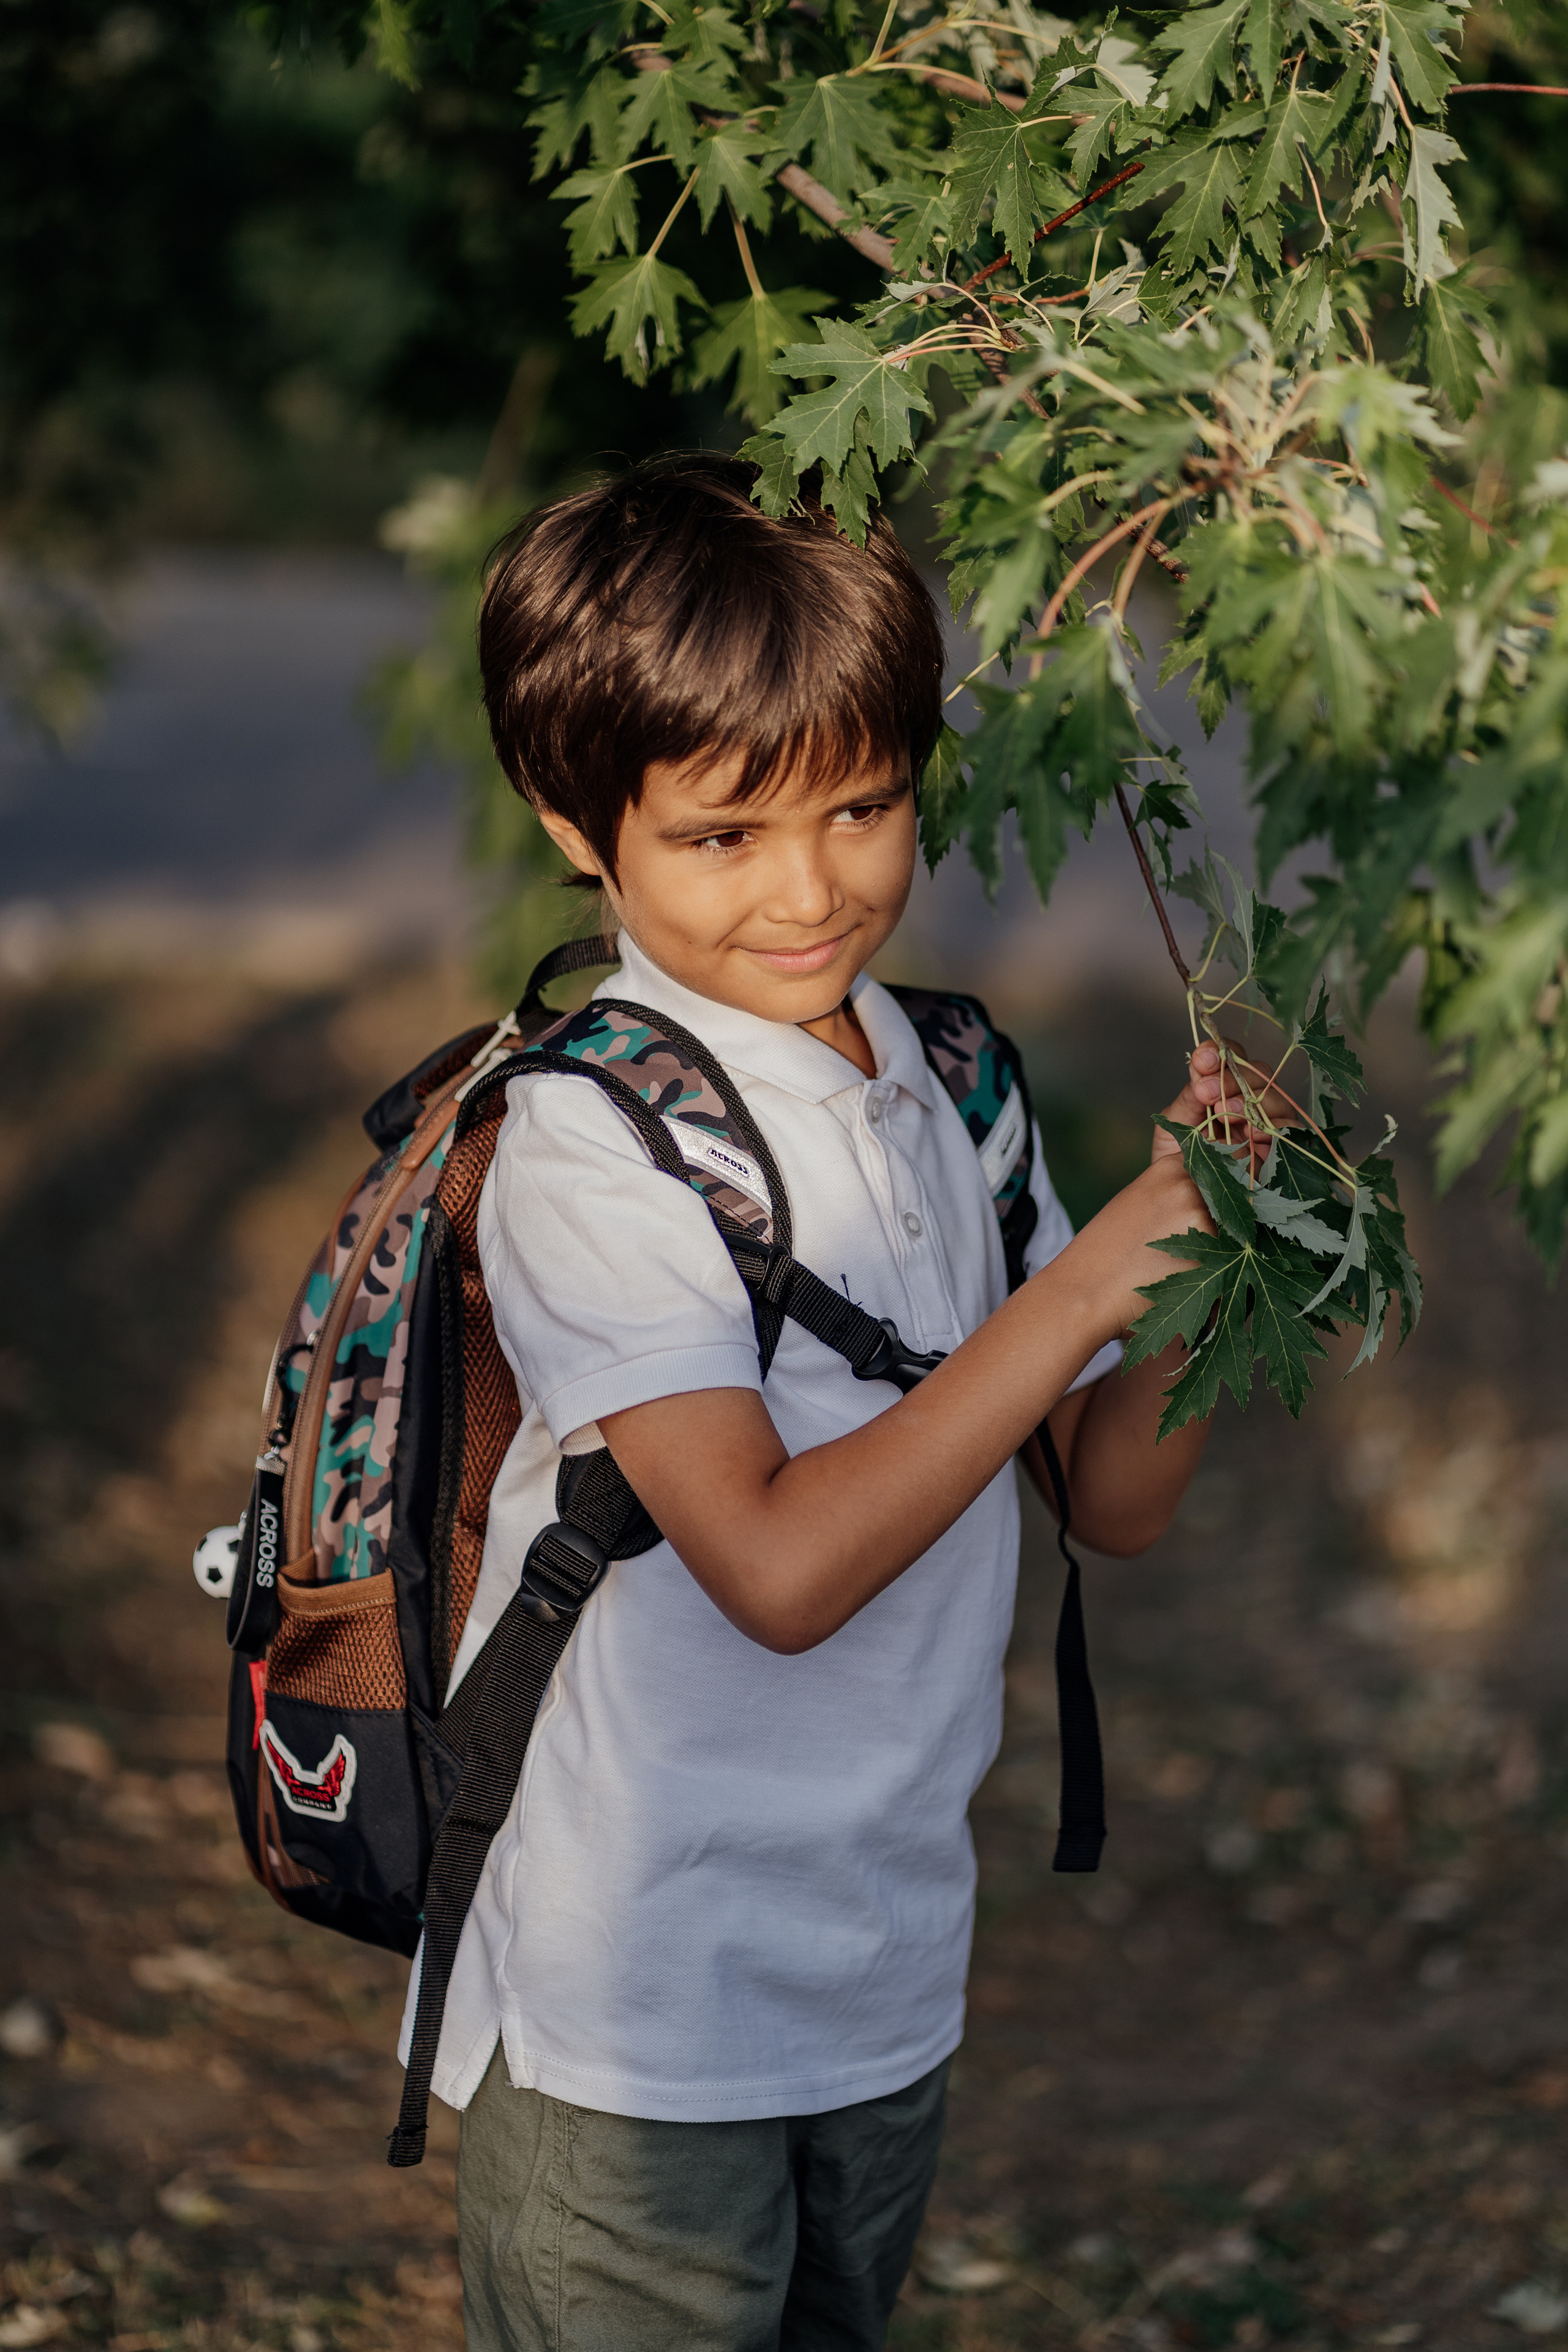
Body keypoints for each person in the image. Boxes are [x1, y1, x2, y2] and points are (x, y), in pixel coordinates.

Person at [400, 453, 1267, 2351]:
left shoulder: (954, 1083)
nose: (811, 888)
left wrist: (1215, 1256)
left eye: (863, 806)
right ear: (578, 824)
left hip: (879, 1966)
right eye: (723, 835)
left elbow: (1110, 1495)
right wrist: (1096, 1275)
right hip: (640, 2010)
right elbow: (778, 1570)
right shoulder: (591, 1141)